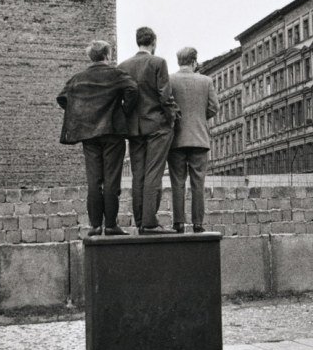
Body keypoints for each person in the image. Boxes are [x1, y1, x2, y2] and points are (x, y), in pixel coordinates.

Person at [57, 40, 138, 236]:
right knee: (112, 180)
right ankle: (110, 224)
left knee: (94, 180)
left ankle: (95, 225)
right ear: (107, 55)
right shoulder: (115, 74)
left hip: (89, 134)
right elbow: (133, 89)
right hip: (112, 132)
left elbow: (62, 98)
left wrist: (82, 115)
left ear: (90, 57)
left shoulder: (78, 78)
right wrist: (123, 111)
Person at [117, 27, 179, 234]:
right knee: (154, 172)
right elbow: (165, 96)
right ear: (153, 42)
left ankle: (140, 221)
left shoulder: (123, 66)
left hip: (134, 129)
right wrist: (171, 118)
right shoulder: (158, 62)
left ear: (137, 42)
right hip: (157, 126)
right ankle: (150, 222)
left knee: (138, 175)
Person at [167, 47, 218, 233]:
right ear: (194, 61)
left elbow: (166, 105)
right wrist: (199, 117)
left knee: (177, 183)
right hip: (199, 139)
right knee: (198, 183)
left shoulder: (170, 80)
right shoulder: (206, 81)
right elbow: (214, 107)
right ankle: (198, 223)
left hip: (176, 140)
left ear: (179, 61)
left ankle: (178, 223)